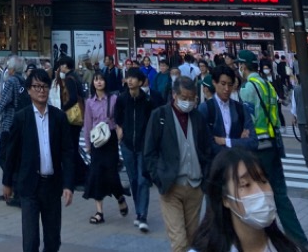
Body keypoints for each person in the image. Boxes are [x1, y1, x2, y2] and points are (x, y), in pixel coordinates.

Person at [238, 49, 308, 252]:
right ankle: (301, 242)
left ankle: (269, 242)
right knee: (280, 195)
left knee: (255, 196)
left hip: (257, 148)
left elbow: (248, 119)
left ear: (243, 66)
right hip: (273, 144)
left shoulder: (248, 87)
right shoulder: (267, 85)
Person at [2, 67, 75, 252]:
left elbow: (68, 152)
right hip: (29, 186)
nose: (41, 90)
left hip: (52, 186)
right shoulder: (21, 118)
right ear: (28, 90)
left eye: (44, 86)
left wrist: (68, 185)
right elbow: (11, 153)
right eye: (36, 86)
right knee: (31, 240)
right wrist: (7, 182)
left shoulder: (59, 117)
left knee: (52, 240)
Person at [189, 147, 303, 252]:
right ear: (225, 199)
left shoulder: (287, 248)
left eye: (263, 181)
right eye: (246, 184)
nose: (260, 192)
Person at [143, 76, 211, 252]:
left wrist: (206, 176)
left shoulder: (197, 118)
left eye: (191, 98)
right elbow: (149, 151)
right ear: (174, 95)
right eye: (184, 98)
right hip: (171, 185)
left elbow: (206, 148)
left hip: (195, 186)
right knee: (179, 242)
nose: (188, 102)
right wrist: (158, 177)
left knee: (192, 239)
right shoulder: (159, 116)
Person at [114, 65, 157, 232]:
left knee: (143, 180)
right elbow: (117, 117)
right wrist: (119, 129)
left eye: (133, 78)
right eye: (128, 77)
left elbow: (152, 123)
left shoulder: (147, 101)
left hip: (143, 146)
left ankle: (142, 215)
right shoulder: (122, 99)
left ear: (141, 82)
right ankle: (139, 211)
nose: (130, 80)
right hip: (127, 145)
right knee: (133, 179)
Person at [82, 70, 128, 224]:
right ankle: (99, 212)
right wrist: (87, 144)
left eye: (101, 79)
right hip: (96, 140)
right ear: (93, 82)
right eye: (96, 80)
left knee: (111, 173)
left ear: (106, 82)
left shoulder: (114, 99)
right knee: (96, 174)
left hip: (110, 139)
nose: (99, 82)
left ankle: (120, 197)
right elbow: (87, 123)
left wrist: (120, 129)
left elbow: (120, 117)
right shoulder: (89, 102)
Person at [0, 54, 28, 206]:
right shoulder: (23, 81)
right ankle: (12, 190)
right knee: (15, 158)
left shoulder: (11, 81)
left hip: (9, 125)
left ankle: (14, 189)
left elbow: (3, 102)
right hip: (20, 124)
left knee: (4, 157)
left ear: (11, 69)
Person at [200, 65, 257, 159]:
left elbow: (253, 142)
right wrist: (239, 141)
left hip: (237, 164)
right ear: (214, 83)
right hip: (215, 166)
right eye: (223, 84)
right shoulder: (205, 108)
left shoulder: (240, 108)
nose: (227, 89)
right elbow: (205, 143)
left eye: (230, 85)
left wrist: (225, 141)